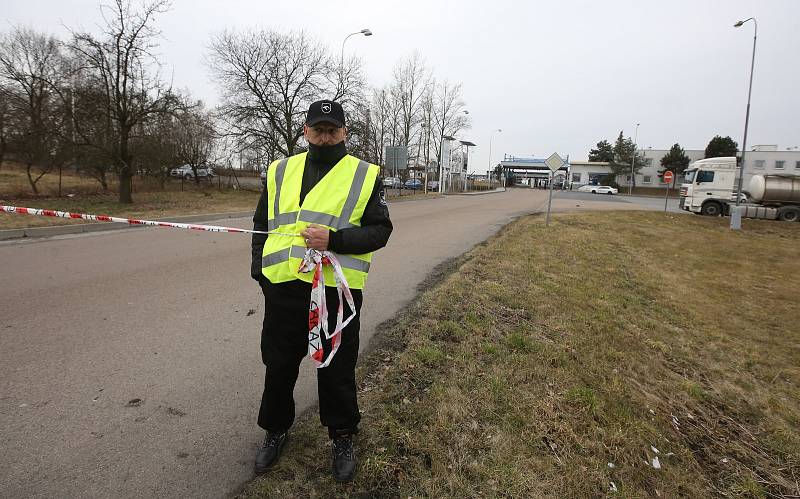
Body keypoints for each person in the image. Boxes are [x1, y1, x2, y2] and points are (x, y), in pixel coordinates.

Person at [250, 99, 392, 482]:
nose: (325, 136)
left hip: (335, 291)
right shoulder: (280, 170)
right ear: (305, 130)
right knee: (279, 365)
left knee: (335, 368)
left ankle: (342, 436)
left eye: (332, 130)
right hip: (283, 286)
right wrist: (259, 274)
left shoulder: (364, 175)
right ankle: (275, 430)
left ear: (344, 132)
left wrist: (335, 239)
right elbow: (261, 224)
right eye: (318, 129)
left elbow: (381, 231)